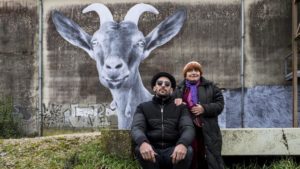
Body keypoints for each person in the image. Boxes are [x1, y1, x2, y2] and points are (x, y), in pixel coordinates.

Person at [131, 72, 195, 169]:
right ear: (154, 88)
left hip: (173, 150)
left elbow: (188, 127)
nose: (163, 86)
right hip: (152, 150)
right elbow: (137, 127)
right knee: (139, 149)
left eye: (167, 84)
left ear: (171, 89)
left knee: (188, 150)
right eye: (159, 83)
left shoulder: (181, 108)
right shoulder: (143, 107)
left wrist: (183, 144)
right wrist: (143, 142)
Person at [175, 61, 224, 169]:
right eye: (190, 70)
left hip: (208, 128)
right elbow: (171, 110)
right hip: (187, 129)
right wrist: (179, 106)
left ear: (200, 73)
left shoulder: (211, 87)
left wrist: (204, 108)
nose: (193, 73)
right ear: (185, 74)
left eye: (196, 70)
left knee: (211, 157)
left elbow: (220, 105)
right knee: (192, 155)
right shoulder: (178, 89)